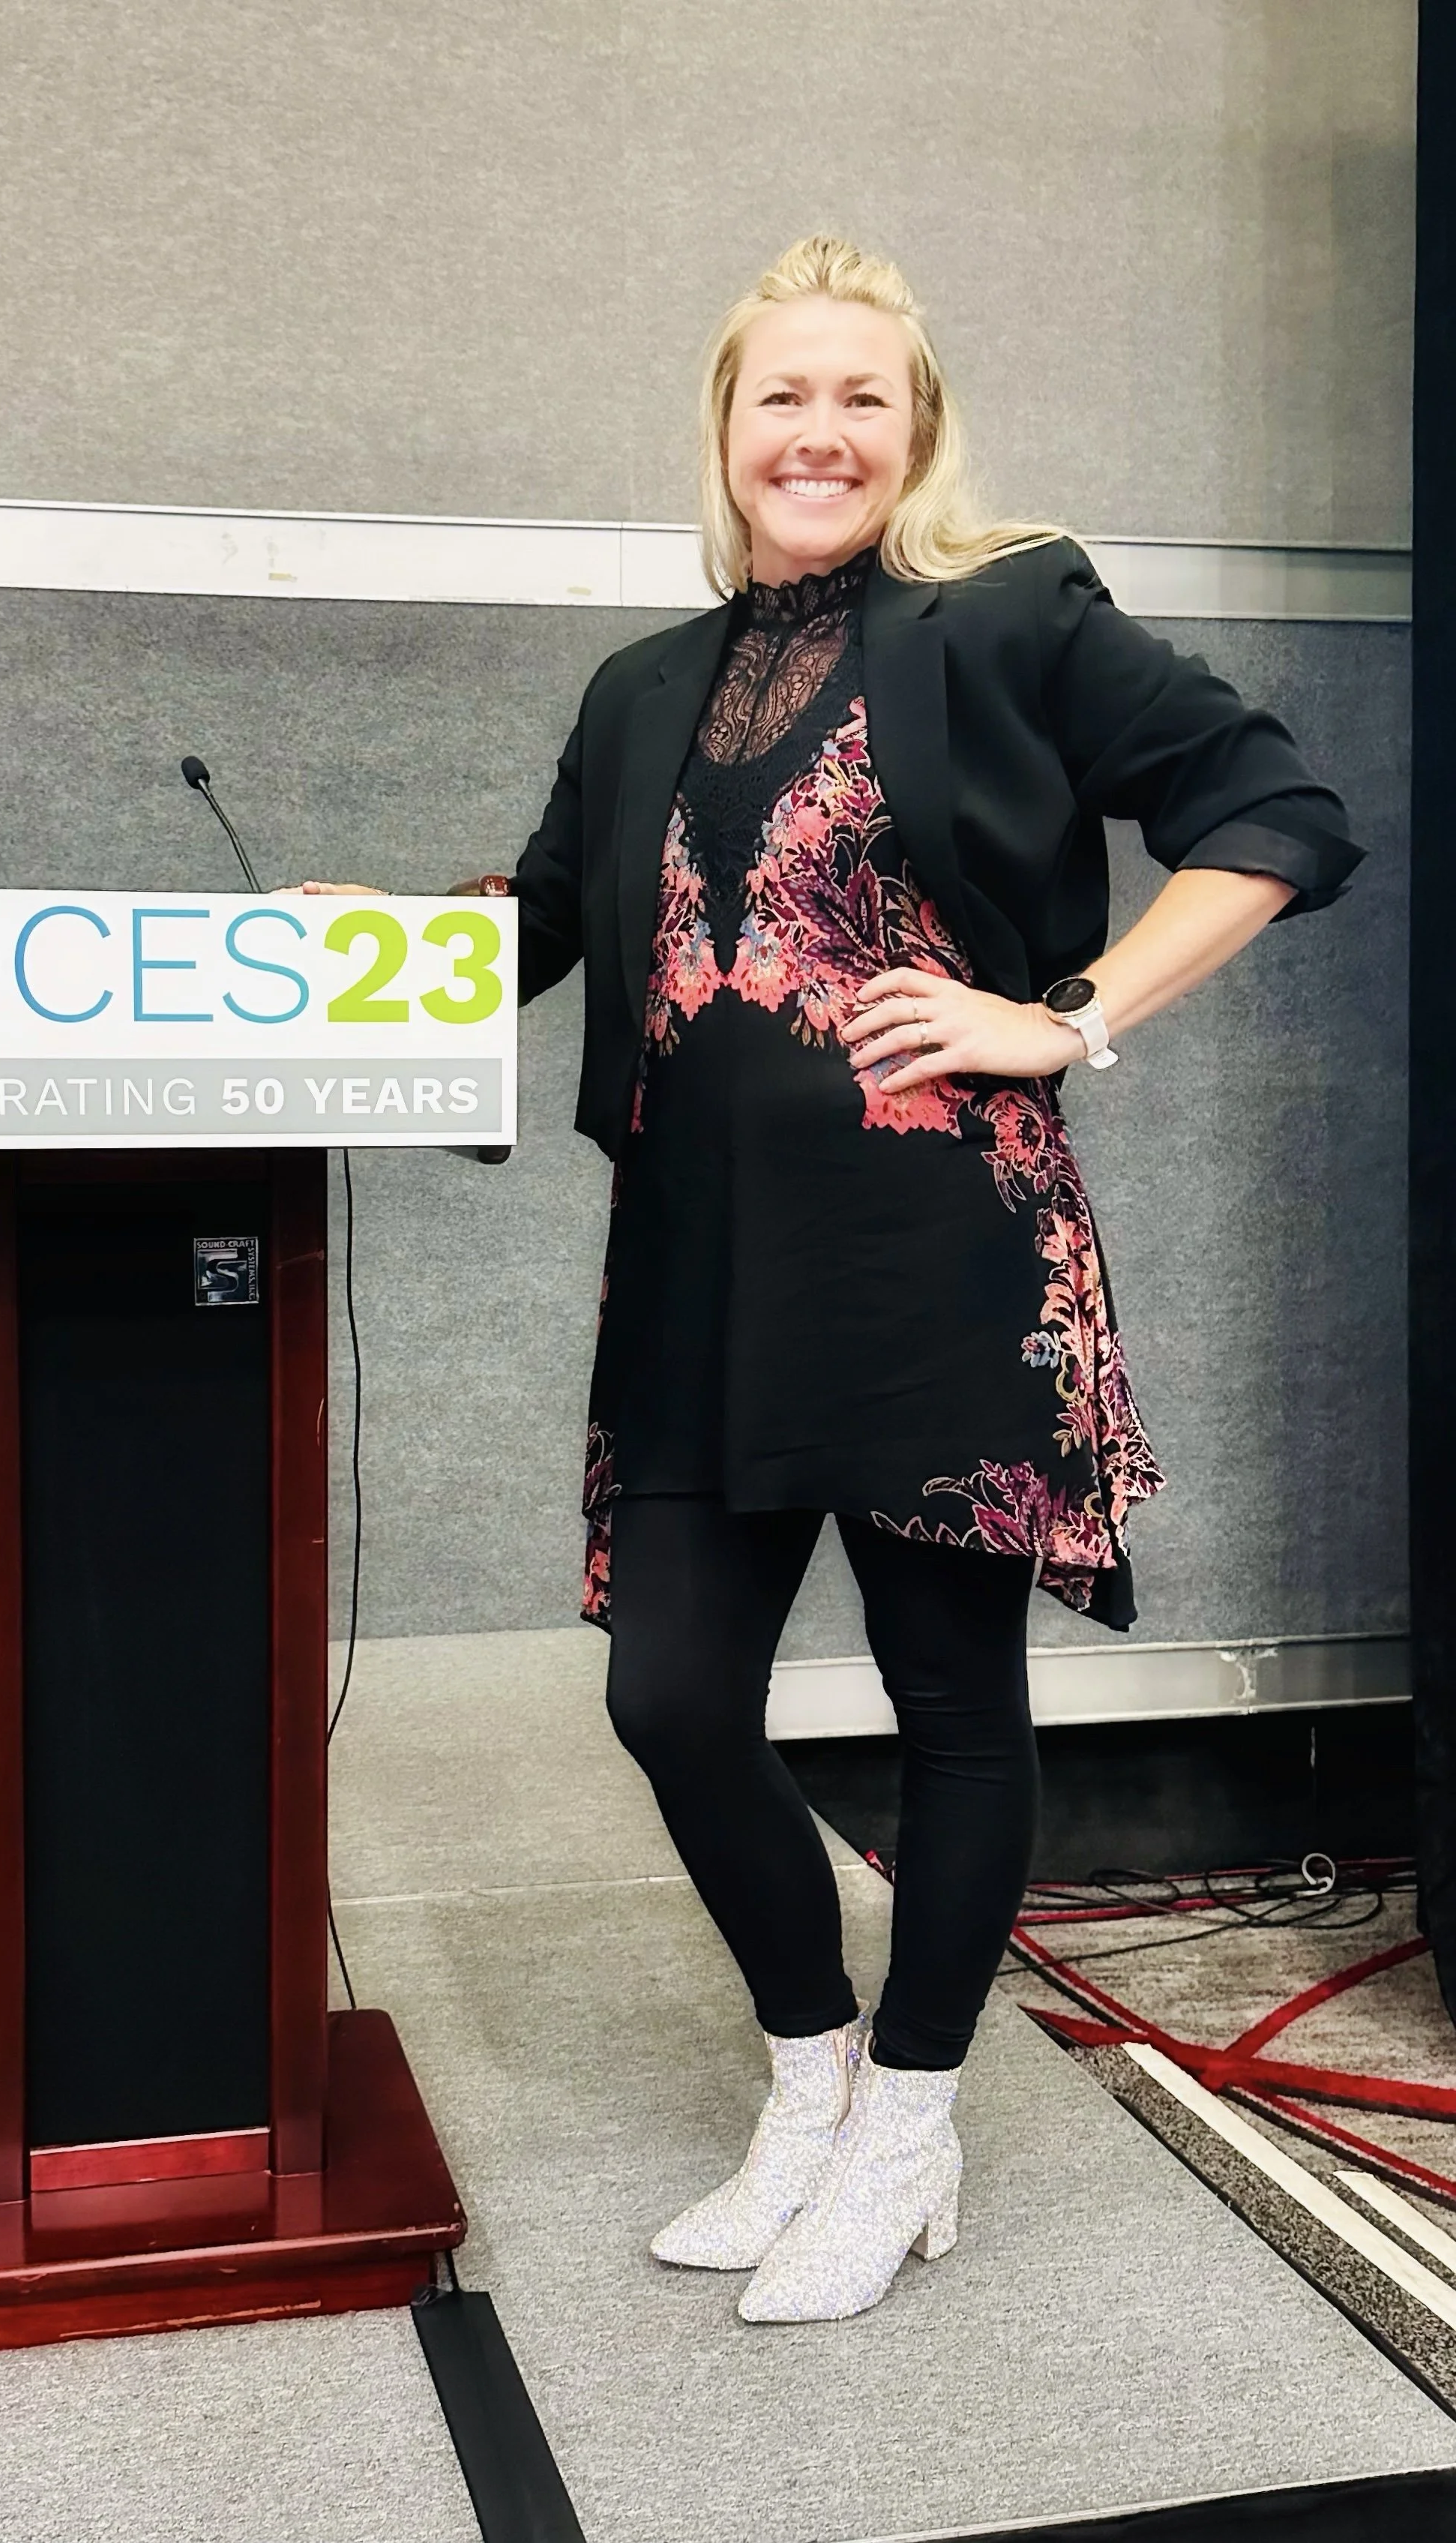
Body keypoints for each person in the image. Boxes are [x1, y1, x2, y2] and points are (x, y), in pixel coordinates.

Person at [306, 233, 1361, 2324]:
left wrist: (1064, 1014)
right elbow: (529, 931)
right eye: (781, 396)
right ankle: (812, 2073)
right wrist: (343, 938)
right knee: (674, 1695)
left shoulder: (1014, 614)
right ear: (724, 432)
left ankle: (912, 2116)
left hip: (936, 1255)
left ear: (918, 431)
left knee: (952, 1699)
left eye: (861, 397)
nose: (820, 430)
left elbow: (1276, 812)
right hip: (699, 1277)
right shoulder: (634, 695)